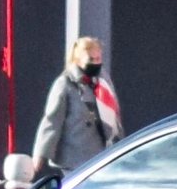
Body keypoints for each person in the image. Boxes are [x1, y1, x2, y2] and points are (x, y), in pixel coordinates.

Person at [32, 35, 121, 171]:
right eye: (91, 59)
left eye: (98, 59)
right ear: (78, 60)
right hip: (74, 158)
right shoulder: (65, 84)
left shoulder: (103, 81)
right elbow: (52, 121)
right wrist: (39, 156)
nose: (96, 63)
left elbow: (114, 114)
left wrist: (121, 143)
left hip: (100, 156)